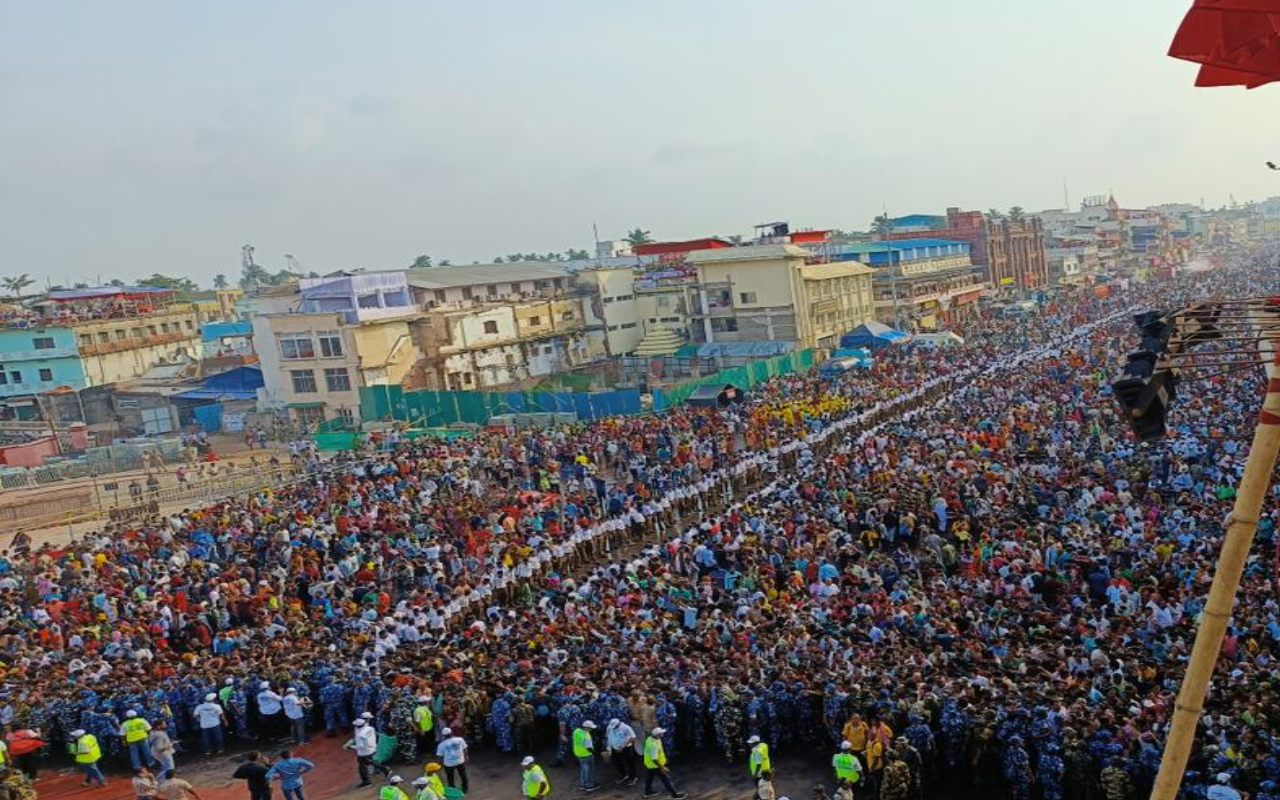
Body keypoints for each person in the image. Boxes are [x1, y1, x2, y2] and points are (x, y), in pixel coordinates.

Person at [642, 727, 687, 800]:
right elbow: (654, 759)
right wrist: (662, 767)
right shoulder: (653, 745)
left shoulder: (651, 739)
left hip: (649, 764)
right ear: (657, 735)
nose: (663, 734)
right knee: (666, 779)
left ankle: (647, 792)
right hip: (655, 765)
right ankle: (674, 795)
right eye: (661, 733)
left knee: (649, 778)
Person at [349, 718, 389, 787]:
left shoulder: (360, 735)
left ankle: (366, 781)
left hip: (364, 753)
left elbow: (361, 746)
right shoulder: (370, 729)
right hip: (372, 749)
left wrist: (351, 747)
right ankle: (385, 770)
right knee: (371, 762)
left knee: (362, 767)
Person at [435, 727, 469, 793]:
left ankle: (453, 791)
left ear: (443, 735)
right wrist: (466, 756)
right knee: (463, 775)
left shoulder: (441, 745)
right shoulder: (460, 739)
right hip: (460, 761)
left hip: (449, 764)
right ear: (451, 732)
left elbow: (439, 756)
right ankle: (465, 788)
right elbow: (465, 748)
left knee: (450, 778)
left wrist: (439, 764)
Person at [607, 717, 638, 786]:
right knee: (618, 763)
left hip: (626, 748)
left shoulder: (626, 727)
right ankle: (623, 775)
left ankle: (633, 777)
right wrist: (609, 748)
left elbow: (633, 737)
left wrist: (623, 746)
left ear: (619, 724)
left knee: (630, 763)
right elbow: (609, 737)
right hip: (615, 748)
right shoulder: (609, 727)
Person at [573, 719, 601, 792]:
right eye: (590, 728)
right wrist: (596, 753)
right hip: (587, 754)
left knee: (583, 769)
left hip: (578, 754)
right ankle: (589, 785)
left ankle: (583, 784)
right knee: (589, 770)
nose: (591, 729)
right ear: (586, 727)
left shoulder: (576, 731)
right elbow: (589, 748)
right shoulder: (586, 735)